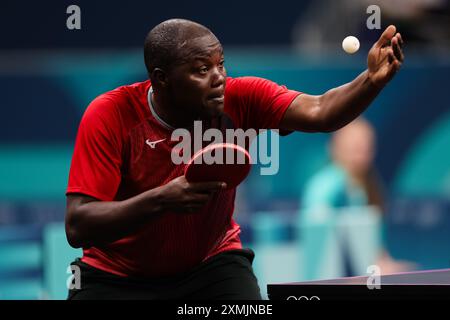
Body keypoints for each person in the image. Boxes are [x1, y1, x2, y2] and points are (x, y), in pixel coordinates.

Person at [65, 18, 404, 299]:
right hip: (116, 276)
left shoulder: (242, 97)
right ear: (161, 78)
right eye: (201, 70)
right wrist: (161, 200)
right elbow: (78, 225)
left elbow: (321, 111)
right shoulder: (111, 115)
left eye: (220, 64)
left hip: (210, 267)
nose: (219, 78)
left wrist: (370, 82)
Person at [300, 119, 415, 278]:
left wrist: (385, 264)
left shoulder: (368, 185)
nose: (361, 155)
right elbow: (319, 245)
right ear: (335, 148)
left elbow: (373, 244)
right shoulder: (325, 187)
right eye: (354, 148)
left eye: (366, 148)